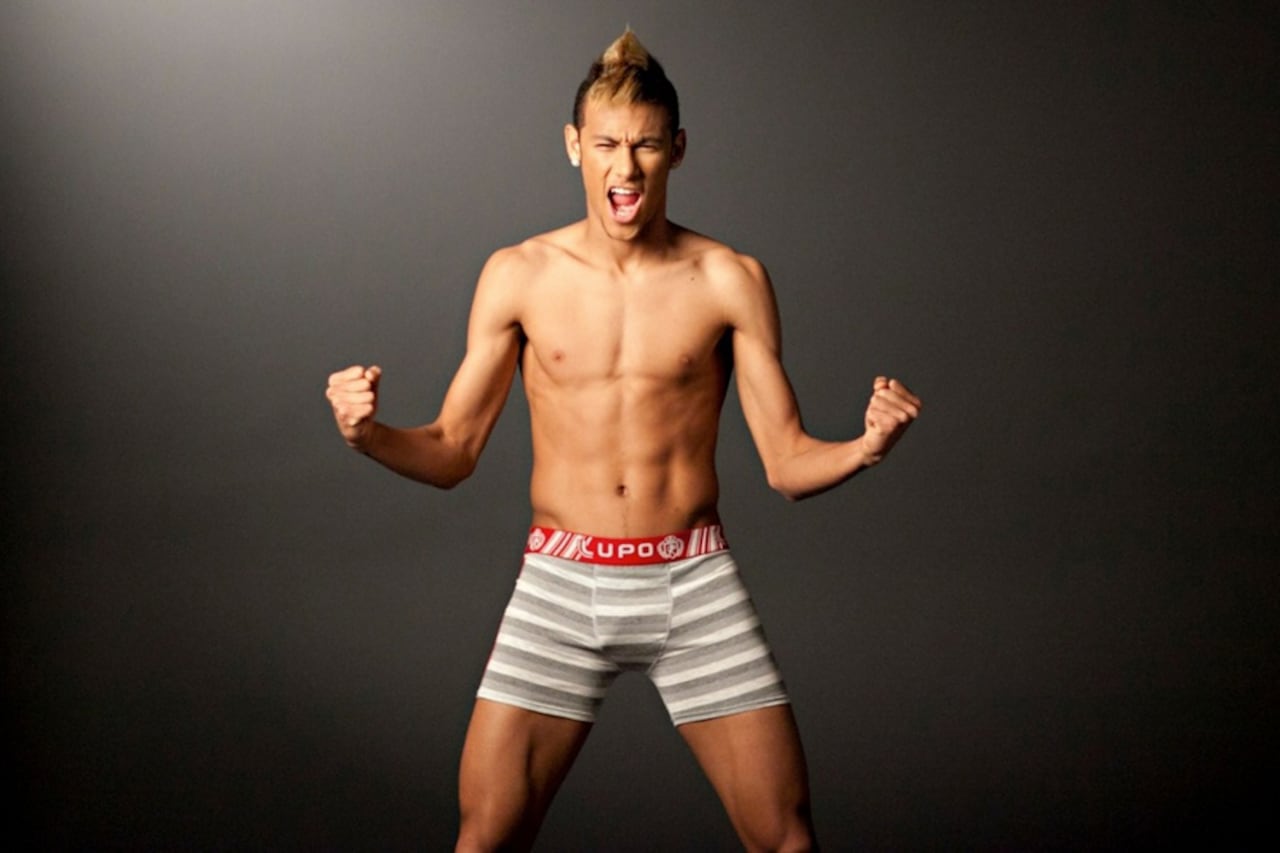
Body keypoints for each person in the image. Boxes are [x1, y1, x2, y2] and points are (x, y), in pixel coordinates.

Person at [325, 30, 920, 852]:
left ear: (677, 148)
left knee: (785, 836)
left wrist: (864, 447)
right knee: (486, 834)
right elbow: (454, 449)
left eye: (645, 144)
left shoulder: (729, 279)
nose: (626, 167)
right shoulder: (520, 275)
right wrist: (369, 436)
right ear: (575, 146)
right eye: (606, 144)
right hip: (561, 584)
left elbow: (786, 463)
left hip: (692, 578)